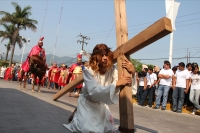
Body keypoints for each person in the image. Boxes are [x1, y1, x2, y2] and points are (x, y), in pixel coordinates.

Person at [63, 44, 135, 133]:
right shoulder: (88, 70)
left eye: (106, 55)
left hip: (101, 105)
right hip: (88, 104)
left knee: (109, 130)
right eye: (102, 55)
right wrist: (117, 84)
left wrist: (132, 72)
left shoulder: (113, 69)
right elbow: (94, 90)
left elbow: (123, 81)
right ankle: (77, 116)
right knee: (86, 129)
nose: (105, 58)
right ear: (96, 57)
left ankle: (78, 115)